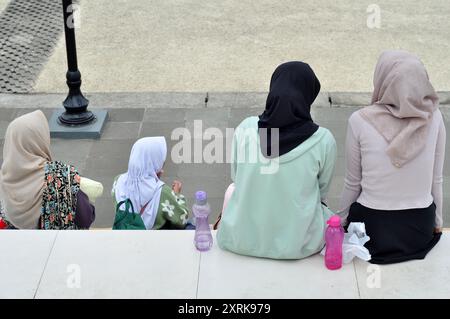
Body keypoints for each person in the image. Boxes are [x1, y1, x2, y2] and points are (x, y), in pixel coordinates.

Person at [216, 61, 337, 259]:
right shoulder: (323, 140)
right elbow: (321, 192)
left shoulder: (246, 128)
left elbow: (236, 177)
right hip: (298, 245)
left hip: (240, 239)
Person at [339, 50, 445, 264]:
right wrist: (437, 222)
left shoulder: (359, 120)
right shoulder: (434, 118)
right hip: (419, 231)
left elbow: (353, 183)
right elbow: (436, 179)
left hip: (373, 232)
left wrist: (341, 223)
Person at [0, 110, 98, 230]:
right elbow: (85, 218)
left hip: (19, 246)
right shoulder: (60, 176)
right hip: (58, 246)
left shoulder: (5, 177)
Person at [112, 137, 190, 230]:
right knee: (190, 226)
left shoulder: (118, 182)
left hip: (124, 232)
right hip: (150, 240)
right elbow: (182, 219)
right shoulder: (162, 192)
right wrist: (176, 195)